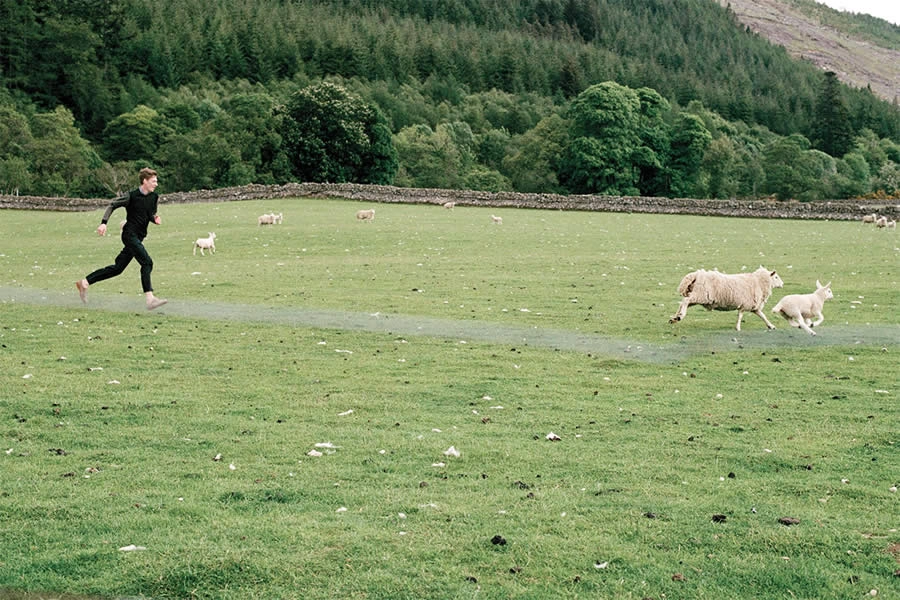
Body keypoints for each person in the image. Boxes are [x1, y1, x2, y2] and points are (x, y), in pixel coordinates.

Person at [76, 167, 168, 310]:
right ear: (145, 181)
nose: (156, 184)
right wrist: (103, 223)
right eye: (153, 181)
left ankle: (85, 282)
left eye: (156, 181)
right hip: (129, 235)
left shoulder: (154, 197)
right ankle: (150, 299)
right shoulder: (131, 196)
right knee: (147, 263)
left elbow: (148, 214)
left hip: (139, 236)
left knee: (117, 269)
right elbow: (112, 205)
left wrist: (154, 219)